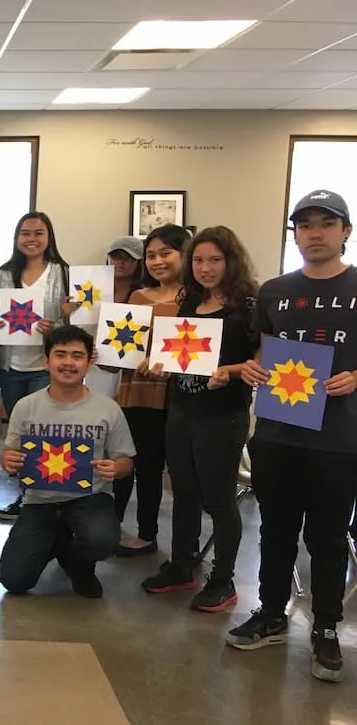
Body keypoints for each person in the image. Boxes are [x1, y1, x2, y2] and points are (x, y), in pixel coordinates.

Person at [225, 190, 357, 683]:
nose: (315, 232)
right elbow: (264, 349)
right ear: (295, 233)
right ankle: (271, 613)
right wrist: (255, 370)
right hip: (278, 433)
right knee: (275, 531)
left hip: (339, 439)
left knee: (326, 537)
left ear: (345, 231)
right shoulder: (275, 291)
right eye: (305, 224)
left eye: (327, 223)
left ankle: (325, 627)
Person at [141, 226, 257, 612]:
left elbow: (264, 361)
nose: (206, 268)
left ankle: (223, 580)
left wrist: (231, 371)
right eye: (199, 260)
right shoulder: (189, 301)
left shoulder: (249, 307)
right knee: (184, 492)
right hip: (183, 410)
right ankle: (181, 565)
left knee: (220, 500)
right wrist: (158, 364)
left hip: (223, 416)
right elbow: (180, 358)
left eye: (215, 260)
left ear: (231, 261)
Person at [0, 325, 135, 597]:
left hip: (90, 498)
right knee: (14, 580)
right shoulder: (26, 406)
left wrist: (115, 468)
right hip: (39, 501)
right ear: (46, 361)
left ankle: (79, 565)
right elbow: (9, 454)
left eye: (77, 356)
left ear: (88, 362)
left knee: (103, 541)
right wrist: (8, 461)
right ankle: (59, 543)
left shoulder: (108, 408)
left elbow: (126, 461)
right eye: (60, 355)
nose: (68, 363)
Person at [113, 224, 191, 557]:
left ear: (184, 255)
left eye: (166, 253)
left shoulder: (194, 299)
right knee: (123, 462)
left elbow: (199, 353)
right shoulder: (138, 297)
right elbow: (119, 350)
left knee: (152, 469)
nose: (157, 261)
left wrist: (160, 359)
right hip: (135, 393)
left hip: (176, 398)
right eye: (151, 255)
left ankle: (147, 534)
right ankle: (110, 527)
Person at [0, 212, 72, 523]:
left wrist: (62, 320)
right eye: (25, 233)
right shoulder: (2, 275)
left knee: (46, 433)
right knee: (22, 431)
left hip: (44, 365)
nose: (31, 238)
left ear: (49, 237)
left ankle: (44, 500)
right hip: (11, 366)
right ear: (16, 238)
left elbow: (77, 321)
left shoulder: (63, 272)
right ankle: (26, 495)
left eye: (38, 233)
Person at [86, 236, 145, 400]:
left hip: (130, 364)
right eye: (115, 257)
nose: (120, 262)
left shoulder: (145, 293)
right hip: (95, 360)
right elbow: (79, 326)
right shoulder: (91, 287)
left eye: (127, 258)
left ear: (138, 261)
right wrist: (68, 312)